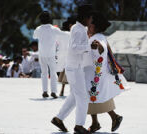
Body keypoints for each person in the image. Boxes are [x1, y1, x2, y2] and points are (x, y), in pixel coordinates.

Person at [84, 11, 130, 133]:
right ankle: (96, 123)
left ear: (96, 27)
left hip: (94, 75)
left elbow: (101, 49)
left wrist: (98, 47)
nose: (88, 26)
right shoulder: (100, 37)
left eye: (90, 25)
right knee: (96, 97)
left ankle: (112, 118)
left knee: (93, 97)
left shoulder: (96, 39)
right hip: (97, 75)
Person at [51, 5, 93, 134]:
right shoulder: (78, 29)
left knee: (75, 96)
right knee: (83, 97)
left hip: (75, 67)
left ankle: (58, 119)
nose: (91, 20)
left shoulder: (80, 28)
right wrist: (89, 46)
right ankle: (79, 126)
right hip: (74, 68)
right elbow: (74, 47)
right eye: (90, 17)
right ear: (85, 17)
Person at [33, 11, 67, 99]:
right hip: (51, 54)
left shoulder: (38, 28)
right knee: (53, 73)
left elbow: (34, 36)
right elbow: (63, 35)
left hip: (42, 54)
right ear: (49, 19)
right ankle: (53, 92)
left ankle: (44, 91)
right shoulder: (53, 29)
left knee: (44, 73)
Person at [57, 17, 76, 96]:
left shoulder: (61, 34)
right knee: (72, 75)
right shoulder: (72, 34)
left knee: (64, 73)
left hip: (62, 56)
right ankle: (72, 92)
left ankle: (62, 90)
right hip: (70, 56)